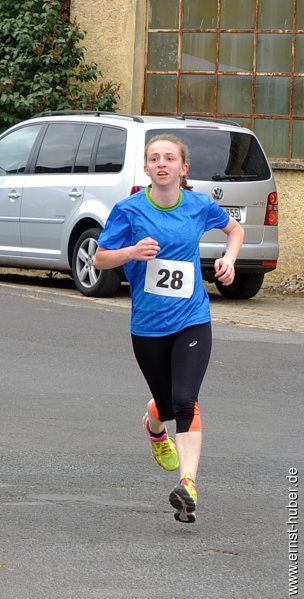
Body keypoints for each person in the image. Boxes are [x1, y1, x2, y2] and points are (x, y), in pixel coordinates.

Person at [93, 134, 244, 523]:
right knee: (165, 402)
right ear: (146, 168)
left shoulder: (198, 205)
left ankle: (188, 484)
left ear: (183, 168)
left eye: (169, 158)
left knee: (185, 399)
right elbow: (100, 258)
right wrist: (130, 252)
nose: (162, 164)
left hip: (193, 319)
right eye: (155, 159)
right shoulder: (128, 210)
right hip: (147, 326)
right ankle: (154, 424)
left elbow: (234, 231)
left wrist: (229, 258)